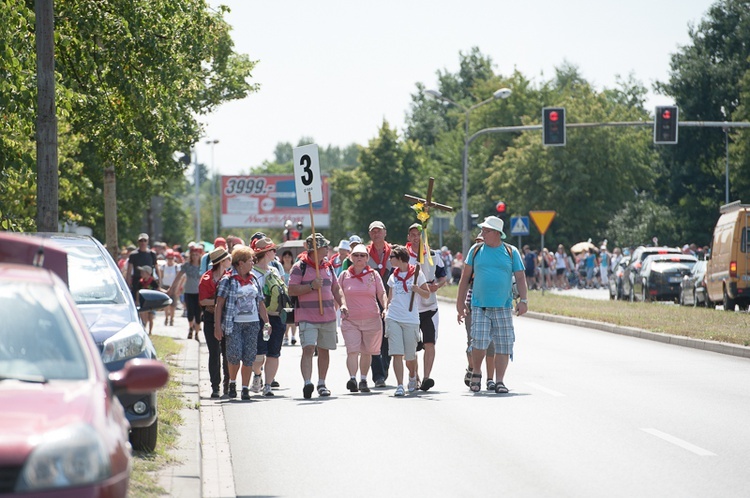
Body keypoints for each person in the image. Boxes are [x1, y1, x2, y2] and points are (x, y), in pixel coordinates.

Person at [456, 216, 528, 394]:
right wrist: (460, 303)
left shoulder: (511, 252)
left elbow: (520, 277)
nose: (482, 234)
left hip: (503, 306)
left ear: (496, 233)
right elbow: (464, 278)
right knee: (478, 342)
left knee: (504, 344)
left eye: (485, 231)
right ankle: (477, 372)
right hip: (480, 306)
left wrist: (524, 300)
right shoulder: (476, 250)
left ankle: (500, 381)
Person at [288, 233, 344, 399]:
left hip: (327, 315)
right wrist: (311, 286)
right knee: (308, 348)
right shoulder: (299, 267)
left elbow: (336, 289)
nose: (327, 249)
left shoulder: (328, 267)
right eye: (324, 247)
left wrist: (343, 304)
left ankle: (321, 383)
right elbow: (291, 290)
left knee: (324, 350)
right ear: (315, 249)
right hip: (306, 315)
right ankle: (307, 382)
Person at [214, 244, 270, 401]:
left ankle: (245, 388)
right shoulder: (228, 280)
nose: (252, 263)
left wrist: (266, 322)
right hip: (234, 323)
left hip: (252, 323)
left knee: (249, 356)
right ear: (240, 263)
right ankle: (233, 383)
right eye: (250, 261)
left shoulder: (253, 279)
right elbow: (219, 304)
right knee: (234, 354)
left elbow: (260, 302)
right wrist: (217, 326)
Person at [337, 243, 387, 393]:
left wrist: (385, 308)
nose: (359, 258)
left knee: (367, 351)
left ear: (367, 258)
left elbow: (381, 293)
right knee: (352, 350)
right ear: (351, 257)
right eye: (356, 255)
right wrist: (339, 307)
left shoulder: (374, 275)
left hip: (371, 319)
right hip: (350, 320)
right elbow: (337, 294)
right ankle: (352, 378)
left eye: (362, 255)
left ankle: (363, 380)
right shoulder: (344, 275)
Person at [405, 223, 446, 391]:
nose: (416, 238)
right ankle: (414, 375)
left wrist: (438, 285)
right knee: (411, 345)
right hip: (410, 305)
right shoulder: (403, 255)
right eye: (413, 235)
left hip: (429, 305)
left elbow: (442, 276)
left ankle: (427, 377)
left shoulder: (433, 255)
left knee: (430, 343)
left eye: (419, 235)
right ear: (409, 237)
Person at [385, 245, 430, 396]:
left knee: (410, 356)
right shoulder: (393, 276)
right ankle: (399, 385)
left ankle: (412, 375)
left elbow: (426, 295)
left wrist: (417, 289)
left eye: (392, 257)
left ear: (399, 258)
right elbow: (390, 297)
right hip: (394, 317)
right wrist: (386, 309)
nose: (389, 259)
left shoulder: (417, 274)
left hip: (411, 319)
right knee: (396, 353)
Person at [251, 236, 286, 396]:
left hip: (277, 316)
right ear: (266, 252)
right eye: (273, 250)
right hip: (258, 317)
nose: (275, 252)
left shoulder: (275, 270)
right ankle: (257, 374)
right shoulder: (252, 273)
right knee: (259, 354)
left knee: (274, 352)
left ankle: (268, 385)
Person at [199, 247, 232, 398]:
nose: (230, 261)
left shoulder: (230, 277)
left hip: (227, 317)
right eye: (228, 259)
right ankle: (215, 386)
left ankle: (228, 384)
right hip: (210, 317)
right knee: (214, 352)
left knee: (227, 353)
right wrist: (219, 300)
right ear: (221, 262)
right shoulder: (206, 279)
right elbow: (203, 301)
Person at [365, 221, 393, 387]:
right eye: (373, 231)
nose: (376, 234)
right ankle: (378, 375)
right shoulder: (364, 254)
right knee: (373, 338)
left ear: (385, 233)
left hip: (391, 300)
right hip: (371, 301)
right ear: (370, 234)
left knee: (388, 337)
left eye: (379, 231)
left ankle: (385, 368)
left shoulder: (394, 252)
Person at [175, 245, 204, 341]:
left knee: (198, 313)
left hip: (199, 293)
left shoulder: (203, 266)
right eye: (193, 255)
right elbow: (178, 277)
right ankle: (191, 328)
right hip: (189, 292)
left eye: (197, 254)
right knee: (190, 312)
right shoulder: (186, 266)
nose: (195, 256)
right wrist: (173, 289)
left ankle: (197, 333)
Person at [126, 233, 157, 302]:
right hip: (137, 282)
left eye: (144, 240)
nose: (143, 242)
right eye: (141, 240)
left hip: (149, 282)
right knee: (136, 302)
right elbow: (129, 271)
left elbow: (157, 269)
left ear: (147, 241)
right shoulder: (133, 254)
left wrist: (159, 282)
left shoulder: (152, 254)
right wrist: (128, 285)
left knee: (149, 303)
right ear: (138, 242)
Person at [280, 249, 298, 346]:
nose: (287, 258)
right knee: (286, 315)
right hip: (284, 295)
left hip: (293, 295)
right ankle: (286, 336)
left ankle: (293, 336)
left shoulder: (294, 269)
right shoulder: (280, 269)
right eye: (285, 256)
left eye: (289, 256)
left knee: (294, 316)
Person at [159, 249, 180, 326]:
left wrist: (177, 288)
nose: (170, 260)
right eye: (169, 258)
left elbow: (178, 277)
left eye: (171, 258)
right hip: (165, 285)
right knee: (166, 303)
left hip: (174, 286)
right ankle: (166, 317)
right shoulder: (163, 266)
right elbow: (161, 277)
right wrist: (160, 286)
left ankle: (172, 318)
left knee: (173, 304)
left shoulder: (176, 267)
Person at [137, 265, 159, 335]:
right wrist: (137, 300)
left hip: (151, 302)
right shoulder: (140, 282)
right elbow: (138, 291)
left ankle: (150, 331)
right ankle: (144, 330)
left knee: (151, 317)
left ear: (148, 273)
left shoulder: (152, 282)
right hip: (143, 301)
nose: (141, 274)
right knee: (144, 316)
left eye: (143, 272)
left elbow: (157, 289)